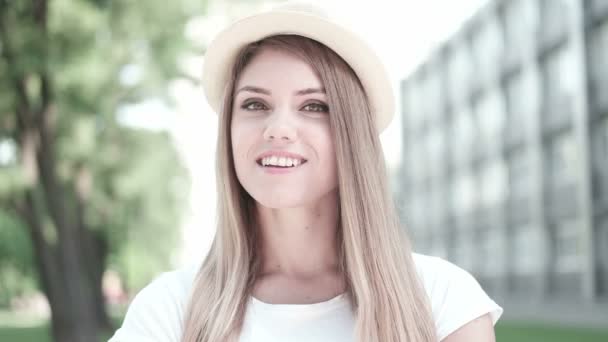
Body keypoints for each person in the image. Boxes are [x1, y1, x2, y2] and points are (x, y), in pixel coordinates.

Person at [108, 2, 503, 341]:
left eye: (314, 106)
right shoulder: (169, 309)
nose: (278, 127)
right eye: (254, 105)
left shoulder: (443, 301)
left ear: (352, 135)